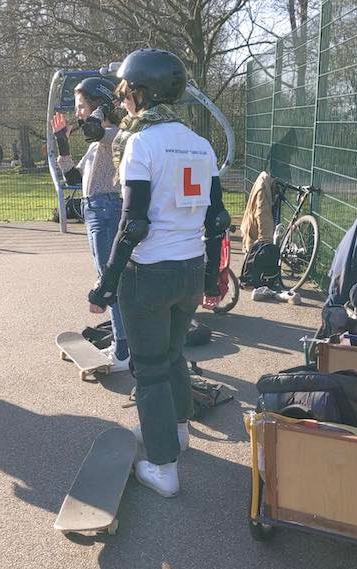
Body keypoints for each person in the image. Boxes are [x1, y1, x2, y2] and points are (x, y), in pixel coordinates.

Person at [89, 48, 230, 497]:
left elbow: (133, 224)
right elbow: (217, 220)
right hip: (190, 268)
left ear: (141, 93)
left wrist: (105, 283)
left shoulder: (140, 144)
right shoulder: (201, 144)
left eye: (126, 92)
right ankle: (179, 432)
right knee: (172, 358)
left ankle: (163, 467)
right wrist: (211, 279)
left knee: (148, 370)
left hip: (148, 273)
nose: (123, 100)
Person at [51, 77, 129, 372]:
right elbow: (72, 178)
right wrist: (62, 141)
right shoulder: (98, 143)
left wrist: (98, 113)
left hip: (107, 210)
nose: (78, 112)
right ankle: (123, 345)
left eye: (81, 106)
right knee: (108, 279)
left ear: (99, 106)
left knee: (110, 282)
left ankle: (123, 353)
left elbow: (98, 130)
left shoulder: (114, 136)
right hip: (95, 210)